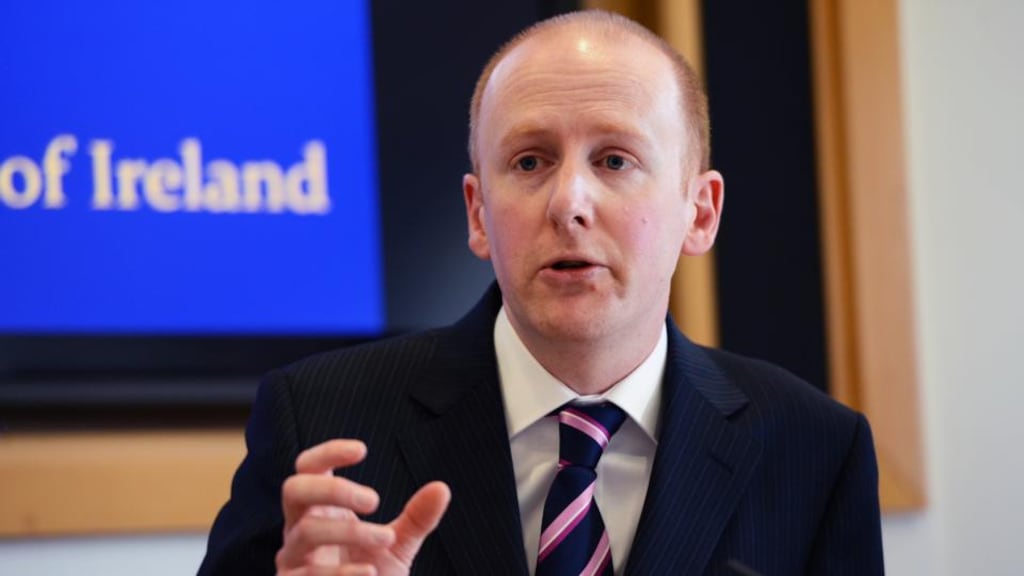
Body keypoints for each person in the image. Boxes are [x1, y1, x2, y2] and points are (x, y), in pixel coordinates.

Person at [199, 10, 883, 576]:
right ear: (477, 214)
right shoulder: (320, 421)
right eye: (530, 161)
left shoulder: (815, 448)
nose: (570, 203)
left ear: (699, 213)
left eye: (615, 160)